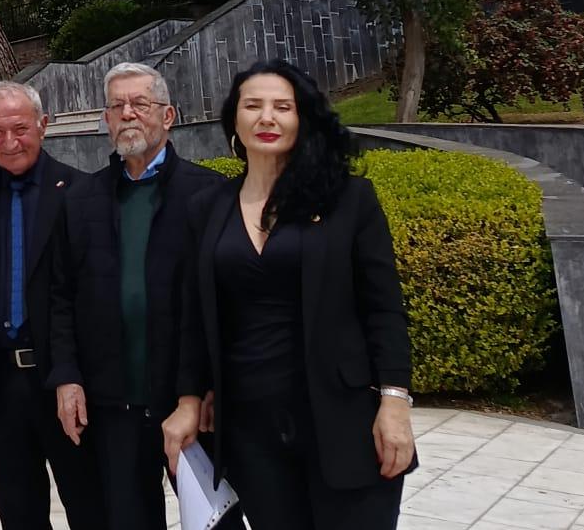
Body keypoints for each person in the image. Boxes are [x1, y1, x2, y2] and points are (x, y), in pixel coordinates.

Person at [163, 58, 416, 530]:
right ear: (234, 120)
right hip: (250, 429)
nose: (267, 117)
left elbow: (383, 308)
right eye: (253, 105)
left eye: (283, 106)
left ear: (302, 118)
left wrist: (395, 400)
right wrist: (188, 400)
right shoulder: (207, 208)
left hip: (344, 422)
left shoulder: (349, 200)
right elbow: (194, 316)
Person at [47, 62, 234, 530]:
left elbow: (223, 304)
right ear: (106, 121)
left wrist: (209, 387)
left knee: (216, 520)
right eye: (117, 106)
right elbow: (61, 297)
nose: (128, 114)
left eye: (140, 104)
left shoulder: (208, 193)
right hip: (114, 407)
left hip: (190, 404)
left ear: (167, 116)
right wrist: (67, 377)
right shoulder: (81, 200)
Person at [0, 81, 98, 530]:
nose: (9, 142)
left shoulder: (83, 194)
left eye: (19, 128)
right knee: (20, 516)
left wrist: (73, 373)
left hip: (66, 383)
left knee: (90, 508)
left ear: (43, 125)